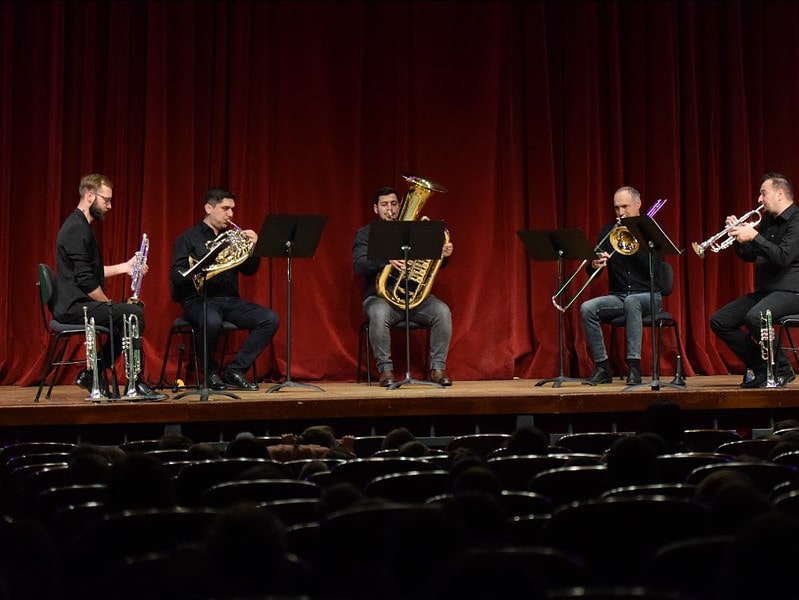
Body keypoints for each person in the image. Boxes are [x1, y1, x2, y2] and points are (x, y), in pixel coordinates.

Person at [54, 173, 166, 400]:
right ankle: (136, 383)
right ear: (89, 196)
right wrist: (108, 303)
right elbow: (86, 281)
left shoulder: (81, 225)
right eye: (106, 200)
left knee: (125, 314)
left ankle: (92, 373)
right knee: (132, 313)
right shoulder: (76, 228)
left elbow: (91, 271)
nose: (109, 206)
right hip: (74, 307)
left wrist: (125, 267)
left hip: (78, 303)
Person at [170, 187, 279, 391]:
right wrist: (202, 266)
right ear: (208, 208)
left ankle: (235, 370)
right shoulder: (188, 238)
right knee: (212, 321)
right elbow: (177, 275)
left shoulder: (232, 237)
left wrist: (254, 248)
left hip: (230, 300)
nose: (230, 214)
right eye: (225, 208)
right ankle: (210, 372)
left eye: (232, 209)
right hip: (197, 299)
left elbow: (249, 270)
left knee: (270, 319)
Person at [352, 186, 454, 387]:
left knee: (442, 311)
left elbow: (430, 262)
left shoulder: (415, 231)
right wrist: (385, 260)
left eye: (393, 204)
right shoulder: (366, 234)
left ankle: (437, 369)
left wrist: (443, 254)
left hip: (415, 296)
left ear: (400, 206)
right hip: (380, 297)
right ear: (375, 209)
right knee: (379, 314)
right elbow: (359, 264)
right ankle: (385, 371)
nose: (389, 209)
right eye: (384, 205)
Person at [710, 173, 799, 388]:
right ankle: (762, 369)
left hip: (791, 292)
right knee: (720, 320)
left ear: (779, 193)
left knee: (756, 317)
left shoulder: (797, 221)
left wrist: (754, 236)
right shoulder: (768, 221)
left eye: (763, 193)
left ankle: (783, 370)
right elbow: (751, 255)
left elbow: (782, 257)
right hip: (765, 292)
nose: (759, 199)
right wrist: (737, 238)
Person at [580, 186, 663, 385]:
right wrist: (595, 264)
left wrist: (633, 243)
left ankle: (634, 367)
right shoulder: (609, 231)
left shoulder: (650, 229)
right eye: (617, 208)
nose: (620, 212)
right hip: (619, 295)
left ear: (638, 204)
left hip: (648, 295)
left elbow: (654, 267)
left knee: (632, 301)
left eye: (625, 206)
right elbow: (592, 271)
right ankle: (602, 368)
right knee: (587, 308)